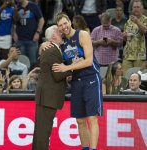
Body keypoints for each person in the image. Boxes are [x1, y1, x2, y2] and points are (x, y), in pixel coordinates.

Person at [48, 13, 103, 150]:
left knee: (92, 118)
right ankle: (85, 148)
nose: (64, 27)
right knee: (80, 120)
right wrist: (44, 44)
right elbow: (51, 43)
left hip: (91, 78)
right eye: (60, 25)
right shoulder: (62, 43)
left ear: (70, 21)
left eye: (65, 23)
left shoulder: (82, 35)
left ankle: (93, 148)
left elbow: (89, 61)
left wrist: (68, 67)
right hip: (76, 81)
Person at [32, 25, 71, 150]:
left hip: (47, 96)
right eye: (60, 33)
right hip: (48, 96)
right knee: (43, 132)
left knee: (41, 131)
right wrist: (72, 68)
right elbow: (58, 75)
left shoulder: (51, 49)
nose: (62, 35)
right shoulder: (52, 51)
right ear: (54, 36)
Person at [13, 0, 44, 69]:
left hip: (32, 39)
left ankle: (31, 78)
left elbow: (41, 20)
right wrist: (14, 33)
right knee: (21, 62)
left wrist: (38, 32)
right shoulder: (16, 7)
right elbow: (14, 22)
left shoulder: (33, 6)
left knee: (33, 62)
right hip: (20, 40)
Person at [122, 0, 147, 75]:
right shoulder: (129, 21)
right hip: (128, 54)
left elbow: (145, 31)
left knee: (138, 77)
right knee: (125, 77)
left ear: (142, 9)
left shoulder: (145, 19)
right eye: (134, 7)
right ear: (132, 9)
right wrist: (124, 35)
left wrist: (138, 22)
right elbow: (124, 38)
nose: (136, 9)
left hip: (140, 55)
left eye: (138, 7)